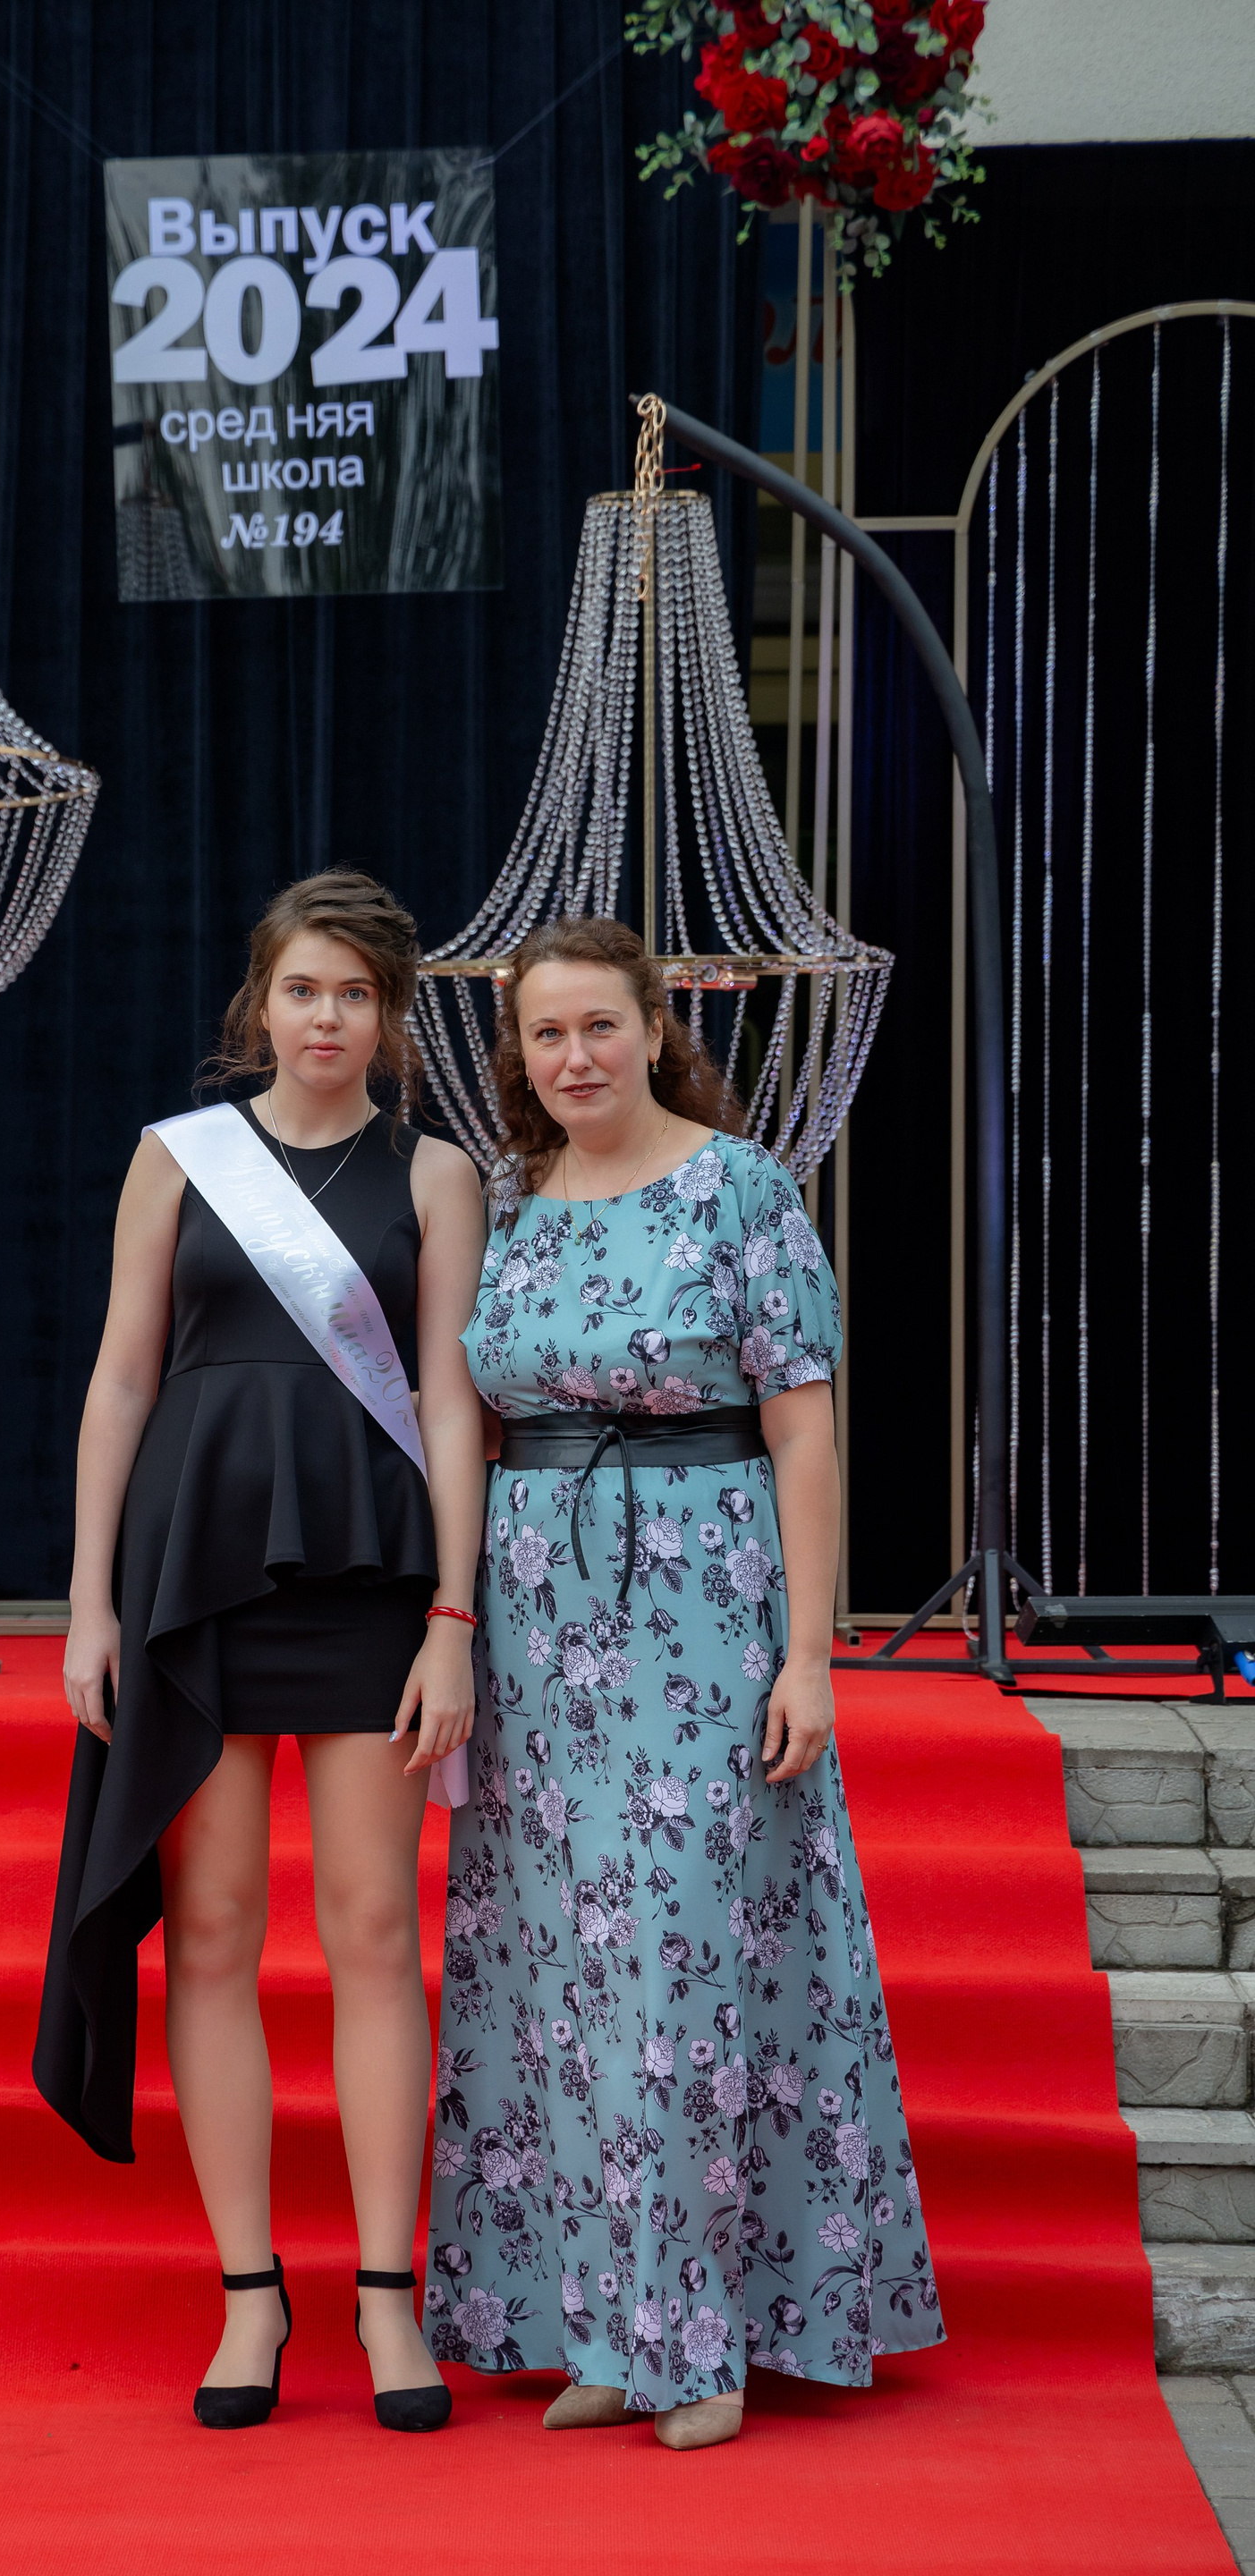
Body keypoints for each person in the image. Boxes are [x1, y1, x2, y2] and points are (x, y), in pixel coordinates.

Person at [424, 916, 943, 2450]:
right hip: (537, 1633)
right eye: (545, 1034)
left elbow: (805, 1436)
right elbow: (476, 1425)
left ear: (654, 1027)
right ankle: (600, 2324)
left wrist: (810, 1655)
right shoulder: (514, 1206)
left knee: (682, 1970)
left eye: (599, 1025)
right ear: (519, 1054)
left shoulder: (742, 1189)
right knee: (559, 1982)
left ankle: (701, 2341)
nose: (573, 1056)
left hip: (702, 1615)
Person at [34, 869, 488, 2434]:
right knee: (214, 1933)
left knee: (372, 1929)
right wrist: (88, 1603)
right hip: (193, 1578)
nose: (327, 1018)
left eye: (356, 994)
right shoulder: (179, 1156)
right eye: (304, 990)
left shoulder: (438, 1175)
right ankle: (249, 2295)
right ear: (262, 1002)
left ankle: (386, 2296)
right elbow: (120, 1381)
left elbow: (450, 1405)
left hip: (372, 1578)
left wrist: (454, 1619)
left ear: (391, 1014)